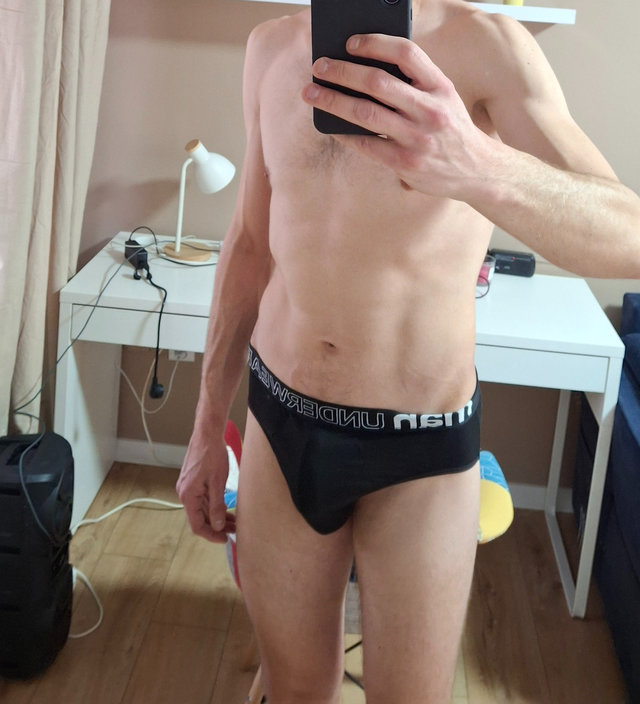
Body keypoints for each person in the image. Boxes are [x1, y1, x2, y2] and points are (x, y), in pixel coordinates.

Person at [176, 0, 640, 701]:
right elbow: (246, 245)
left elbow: (627, 234)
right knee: (293, 689)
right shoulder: (269, 49)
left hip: (420, 447)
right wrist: (206, 426)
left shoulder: (486, 46)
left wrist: (476, 162)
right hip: (280, 419)